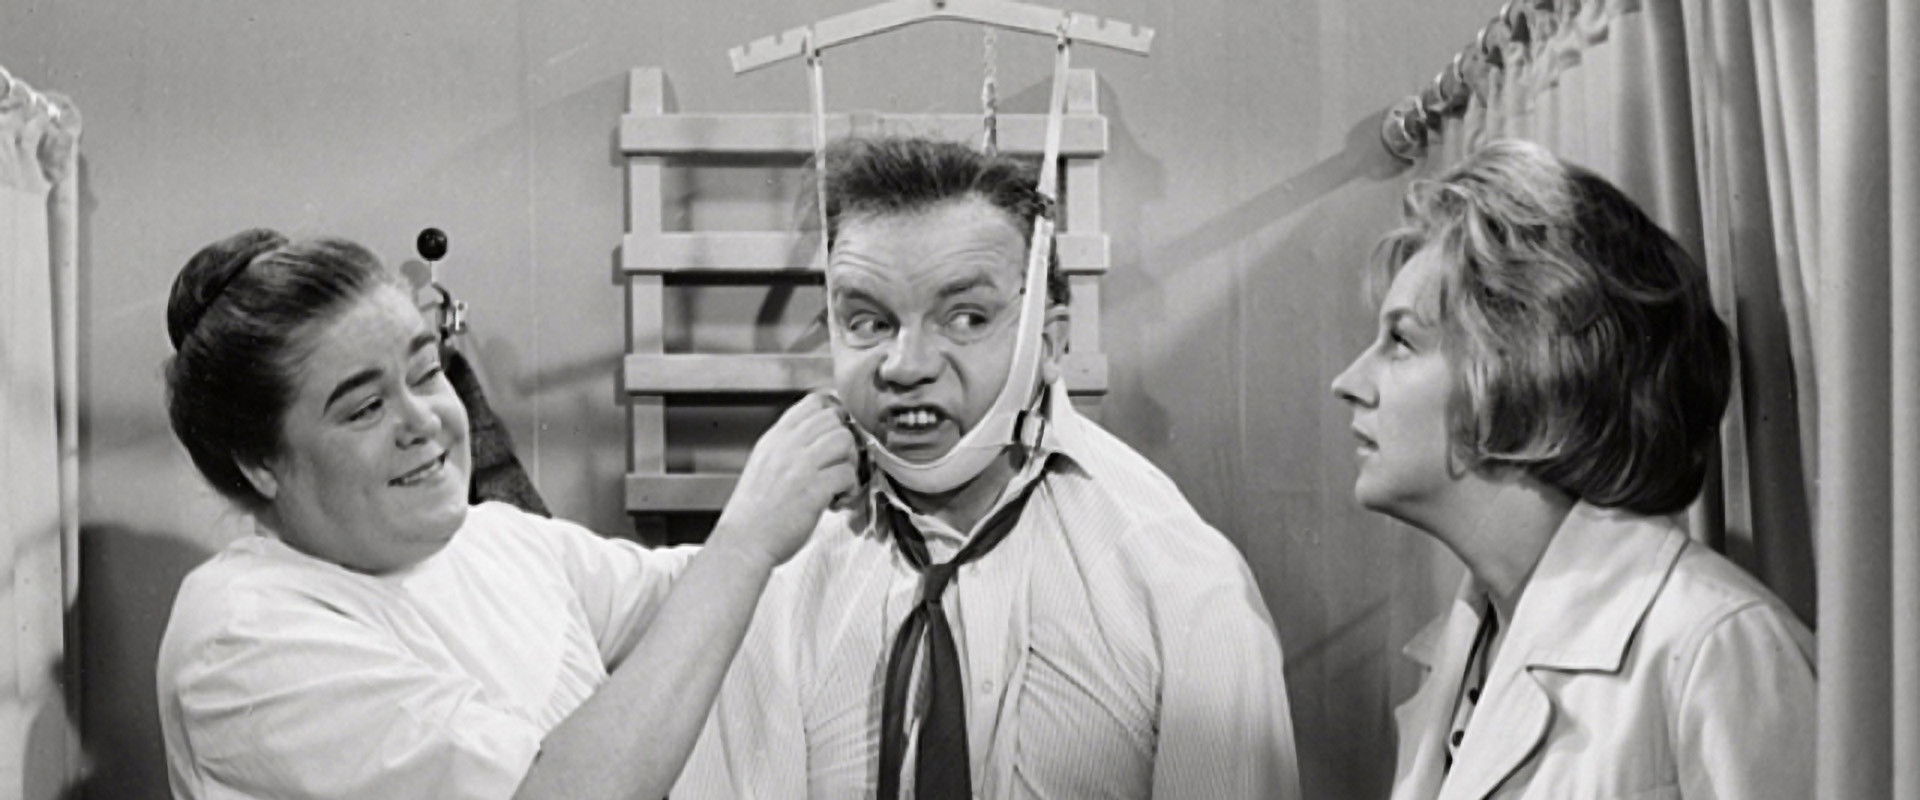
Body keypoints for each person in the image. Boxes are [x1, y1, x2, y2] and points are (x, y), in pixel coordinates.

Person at [674, 136, 1301, 799]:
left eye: (966, 318)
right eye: (868, 322)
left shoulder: (1179, 579)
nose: (905, 366)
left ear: (1049, 342)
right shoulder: (774, 582)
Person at [154, 229, 858, 799]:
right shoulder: (240, 639)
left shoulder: (490, 537)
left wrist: (855, 511)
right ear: (260, 461)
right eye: (365, 408)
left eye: (427, 373)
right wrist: (745, 540)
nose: (423, 420)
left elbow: (686, 598)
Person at [1331, 140, 1816, 799]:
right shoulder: (1463, 652)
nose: (1348, 382)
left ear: (1523, 368)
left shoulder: (1718, 644)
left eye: (1401, 341)